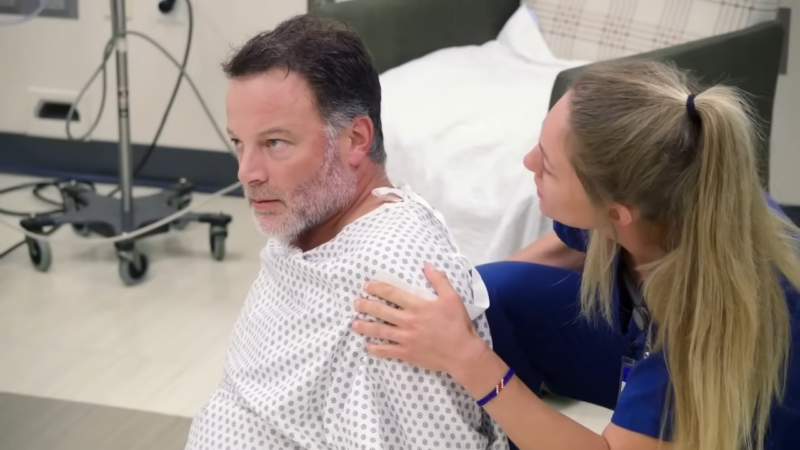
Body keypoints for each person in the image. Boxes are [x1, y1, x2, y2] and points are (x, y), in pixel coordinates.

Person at [352, 60, 800, 450]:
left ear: (616, 212)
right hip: (652, 346)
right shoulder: (659, 196)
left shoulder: (707, 313)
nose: (528, 162)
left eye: (546, 165)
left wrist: (466, 356)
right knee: (495, 295)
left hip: (734, 415)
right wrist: (463, 306)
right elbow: (563, 247)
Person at [184, 14, 507, 450]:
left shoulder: (394, 278)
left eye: (275, 143)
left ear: (355, 139)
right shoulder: (304, 222)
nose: (247, 173)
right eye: (239, 143)